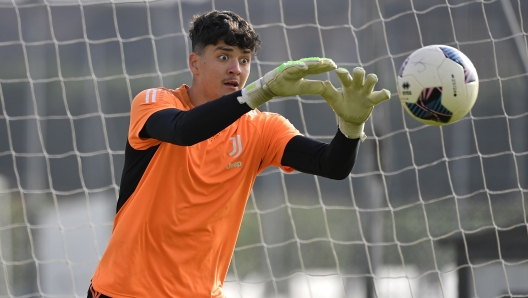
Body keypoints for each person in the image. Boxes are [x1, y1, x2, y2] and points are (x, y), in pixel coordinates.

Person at [87, 9, 390, 298]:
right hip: (124, 291)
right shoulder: (155, 102)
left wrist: (350, 128)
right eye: (223, 57)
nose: (236, 69)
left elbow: (331, 165)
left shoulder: (261, 128)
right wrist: (256, 94)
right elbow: (184, 131)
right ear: (195, 63)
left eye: (245, 60)